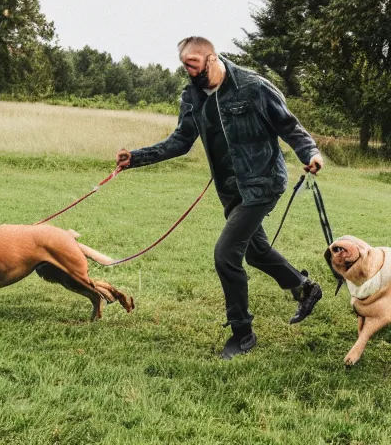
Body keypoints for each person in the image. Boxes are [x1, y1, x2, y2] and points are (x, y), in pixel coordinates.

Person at [116, 36, 325, 360]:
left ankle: (243, 335)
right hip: (229, 190)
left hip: (262, 183)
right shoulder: (192, 96)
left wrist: (310, 152)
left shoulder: (252, 87)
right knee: (255, 253)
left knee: (226, 253)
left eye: (193, 66)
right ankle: (304, 287)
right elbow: (182, 141)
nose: (188, 73)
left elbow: (289, 125)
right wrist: (138, 157)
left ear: (211, 60)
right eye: (184, 66)